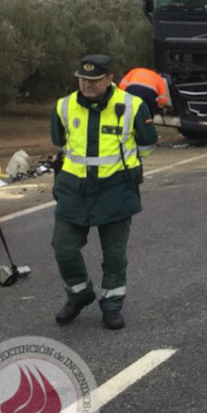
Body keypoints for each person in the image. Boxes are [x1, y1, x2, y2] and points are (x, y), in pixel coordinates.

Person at [50, 54, 158, 330]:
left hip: (116, 190)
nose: (87, 84)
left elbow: (147, 145)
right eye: (83, 79)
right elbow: (59, 142)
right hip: (74, 190)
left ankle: (111, 306)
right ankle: (79, 294)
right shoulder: (64, 106)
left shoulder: (132, 106)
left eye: (95, 80)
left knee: (114, 254)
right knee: (63, 248)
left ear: (110, 79)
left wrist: (125, 166)